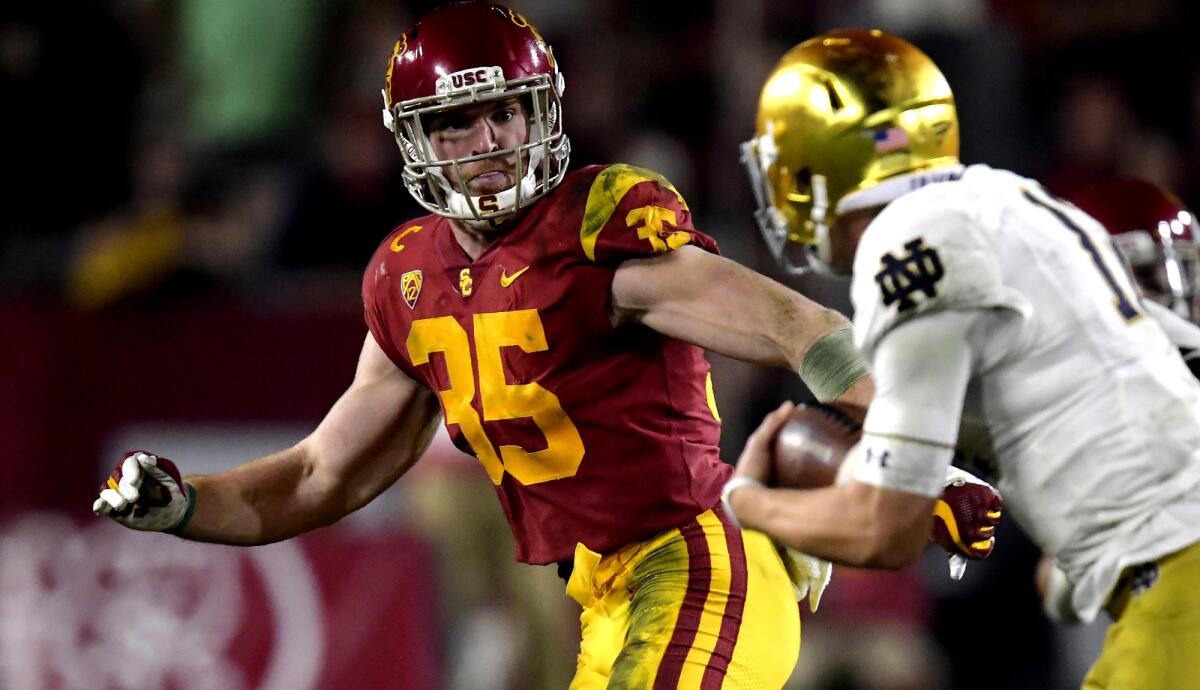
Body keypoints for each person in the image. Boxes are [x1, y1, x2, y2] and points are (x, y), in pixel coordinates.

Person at [92, 4, 873, 688]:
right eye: (457, 122)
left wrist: (916, 447)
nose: (490, 139)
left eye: (506, 112)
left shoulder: (596, 232)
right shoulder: (407, 279)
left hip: (696, 567)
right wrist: (189, 504)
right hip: (604, 600)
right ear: (414, 138)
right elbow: (320, 473)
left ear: (540, 114)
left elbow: (798, 328)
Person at [727, 29, 1200, 690]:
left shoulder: (908, 248)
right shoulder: (1005, 198)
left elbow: (882, 531)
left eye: (789, 166)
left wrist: (750, 503)